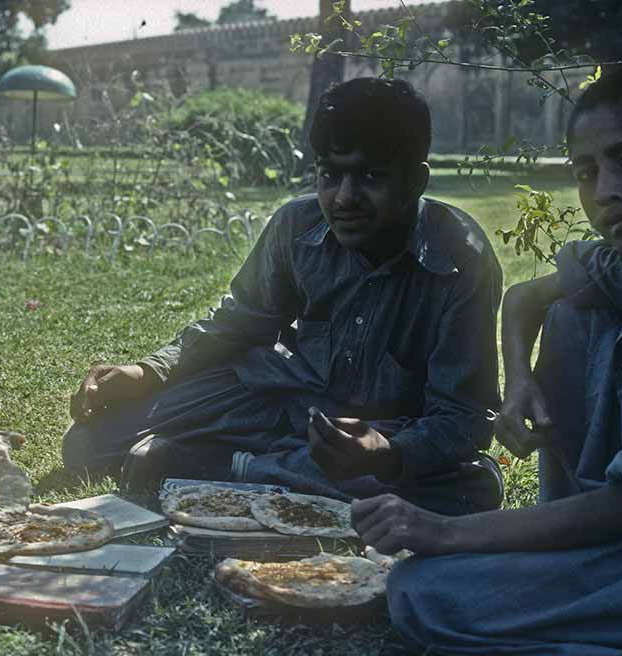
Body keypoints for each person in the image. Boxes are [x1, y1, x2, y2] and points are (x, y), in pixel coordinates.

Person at [376, 65, 622, 656]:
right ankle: (574, 550)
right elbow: (525, 299)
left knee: (429, 596)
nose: (605, 192)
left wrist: (446, 533)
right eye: (587, 172)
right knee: (572, 309)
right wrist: (518, 383)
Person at [63, 78, 505, 516]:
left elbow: (463, 415)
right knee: (88, 443)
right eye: (330, 175)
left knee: (471, 489)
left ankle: (231, 466)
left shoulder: (460, 259)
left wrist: (388, 452)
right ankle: (274, 465)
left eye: (371, 176)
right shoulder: (296, 223)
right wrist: (147, 371)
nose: (345, 197)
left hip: (377, 431)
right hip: (273, 399)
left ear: (416, 181)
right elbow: (238, 320)